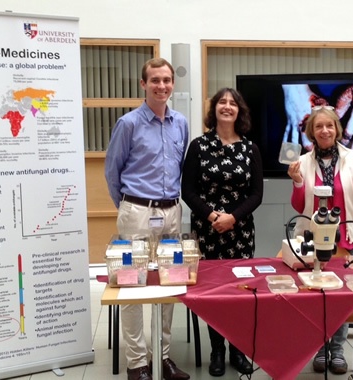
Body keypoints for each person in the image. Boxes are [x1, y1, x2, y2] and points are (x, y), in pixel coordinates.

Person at [104, 57, 190, 380]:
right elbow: (112, 171)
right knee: (131, 286)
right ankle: (137, 363)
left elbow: (180, 165)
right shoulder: (128, 124)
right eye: (155, 80)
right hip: (137, 211)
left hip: (171, 212)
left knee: (170, 282)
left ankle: (162, 357)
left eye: (167, 80)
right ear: (143, 84)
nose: (162, 86)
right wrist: (128, 208)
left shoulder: (180, 122)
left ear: (172, 84)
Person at [287, 106, 353, 374]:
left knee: (340, 297)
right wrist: (296, 182)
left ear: (337, 129)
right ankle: (319, 347)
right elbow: (298, 207)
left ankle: (337, 349)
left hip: (345, 239)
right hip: (311, 238)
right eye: (319, 127)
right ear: (312, 132)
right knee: (316, 296)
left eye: (330, 126)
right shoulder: (303, 163)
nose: (325, 131)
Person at [181, 88, 263, 377]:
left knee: (240, 292)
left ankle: (238, 350)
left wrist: (233, 218)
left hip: (239, 232)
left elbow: (256, 195)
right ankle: (217, 350)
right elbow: (187, 190)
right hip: (207, 230)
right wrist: (213, 215)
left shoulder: (250, 148)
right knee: (213, 293)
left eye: (232, 103)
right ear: (214, 109)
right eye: (221, 103)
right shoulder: (199, 146)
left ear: (239, 111)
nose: (227, 107)